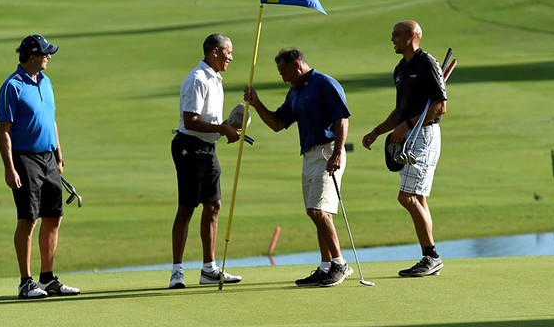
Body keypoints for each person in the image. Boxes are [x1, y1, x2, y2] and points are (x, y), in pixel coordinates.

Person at [243, 48, 353, 287]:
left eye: (284, 72)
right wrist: (256, 103)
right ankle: (326, 267)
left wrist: (336, 154)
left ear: (296, 64)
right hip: (309, 156)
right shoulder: (294, 92)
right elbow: (277, 123)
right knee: (315, 212)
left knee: (319, 211)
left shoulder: (324, 83)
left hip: (328, 150)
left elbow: (342, 119)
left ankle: (339, 263)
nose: (282, 78)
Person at [0, 34, 80, 299]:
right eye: (45, 53)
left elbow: (50, 120)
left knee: (54, 216)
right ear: (32, 56)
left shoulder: (46, 82)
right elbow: (4, 131)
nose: (49, 57)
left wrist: (59, 154)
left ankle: (47, 278)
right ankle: (26, 282)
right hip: (24, 159)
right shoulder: (12, 86)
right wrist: (10, 168)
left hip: (48, 158)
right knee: (28, 219)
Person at [361, 20, 447, 277]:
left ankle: (431, 256)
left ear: (412, 35)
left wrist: (406, 126)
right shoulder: (400, 69)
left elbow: (440, 107)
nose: (392, 39)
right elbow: (399, 110)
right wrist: (377, 131)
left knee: (407, 197)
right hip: (410, 135)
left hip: (424, 135)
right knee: (418, 197)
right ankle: (429, 256)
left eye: (396, 35)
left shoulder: (427, 63)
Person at [169, 33, 243, 289]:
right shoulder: (198, 79)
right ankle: (177, 272)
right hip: (189, 147)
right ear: (214, 52)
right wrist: (222, 129)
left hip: (207, 148)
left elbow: (208, 121)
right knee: (187, 207)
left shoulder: (215, 79)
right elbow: (190, 120)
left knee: (213, 205)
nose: (231, 57)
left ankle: (208, 269)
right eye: (227, 52)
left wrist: (225, 128)